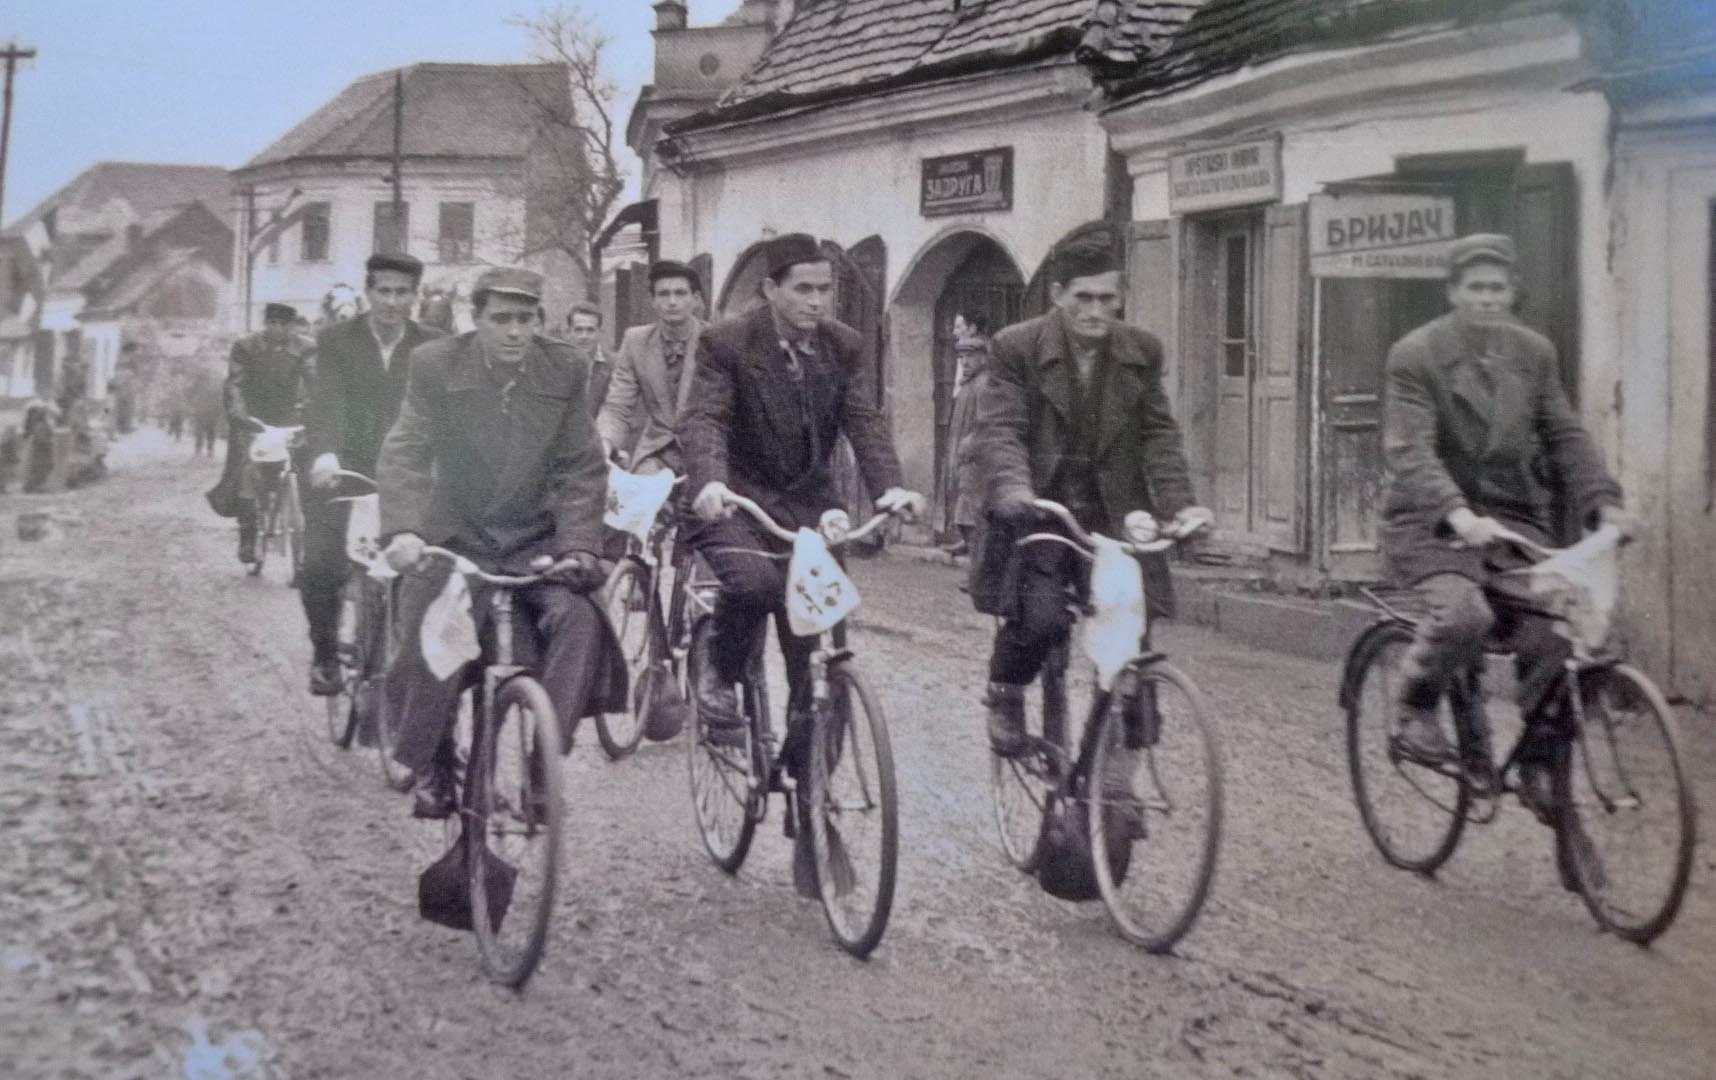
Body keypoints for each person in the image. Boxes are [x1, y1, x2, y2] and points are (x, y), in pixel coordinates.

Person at [1381, 233, 1627, 819]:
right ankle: (1415, 705)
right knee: (1464, 615)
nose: (1487, 299)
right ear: (1453, 292)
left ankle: (1541, 761)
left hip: (1514, 523)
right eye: (1475, 288)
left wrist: (1603, 500)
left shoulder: (1533, 352)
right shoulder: (1416, 355)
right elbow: (1410, 451)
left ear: (1511, 292)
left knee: (1563, 630)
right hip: (1432, 525)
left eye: (1498, 288)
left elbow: (1564, 433)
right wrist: (1457, 513)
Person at [376, 266, 625, 819]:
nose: (515, 331)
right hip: (455, 536)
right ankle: (438, 759)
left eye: (526, 319)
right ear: (477, 319)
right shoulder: (435, 365)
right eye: (502, 319)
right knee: (425, 629)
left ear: (539, 321)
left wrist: (581, 545)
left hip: (535, 537)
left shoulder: (563, 367)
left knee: (581, 617)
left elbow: (581, 465)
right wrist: (405, 531)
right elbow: (407, 449)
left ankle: (544, 761)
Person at [970, 237, 1211, 794]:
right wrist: (1013, 490)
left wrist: (1181, 507)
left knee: (1134, 623)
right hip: (1043, 508)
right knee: (1042, 618)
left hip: (1115, 510)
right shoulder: (1016, 348)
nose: (1096, 311)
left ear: (1120, 298)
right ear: (1058, 294)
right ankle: (1006, 692)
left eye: (1108, 298)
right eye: (1084, 298)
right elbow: (1001, 429)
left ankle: (1124, 756)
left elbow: (1158, 436)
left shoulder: (1140, 351)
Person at [678, 232, 924, 757]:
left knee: (818, 647)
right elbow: (705, 418)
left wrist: (890, 488)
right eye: (803, 288)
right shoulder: (728, 343)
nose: (816, 300)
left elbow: (864, 421)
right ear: (771, 289)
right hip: (735, 501)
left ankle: (811, 797)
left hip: (809, 503)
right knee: (753, 586)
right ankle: (718, 671)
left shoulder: (843, 345)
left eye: (825, 289)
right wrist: (710, 481)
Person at [300, 254, 445, 695]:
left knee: (426, 570)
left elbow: (444, 415)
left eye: (402, 293)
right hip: (345, 471)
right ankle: (325, 653)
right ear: (368, 293)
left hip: (407, 475)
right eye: (384, 291)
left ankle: (410, 668)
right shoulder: (336, 341)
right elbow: (326, 405)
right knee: (321, 565)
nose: (392, 301)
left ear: (414, 298)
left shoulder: (432, 345)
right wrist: (324, 454)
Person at [209, 303, 313, 564]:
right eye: (272, 323)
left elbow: (316, 382)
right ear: (265, 323)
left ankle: (307, 532)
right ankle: (247, 536)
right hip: (253, 419)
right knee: (248, 471)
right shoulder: (245, 346)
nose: (277, 329)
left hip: (290, 417)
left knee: (309, 467)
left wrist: (315, 414)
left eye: (283, 324)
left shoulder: (307, 347)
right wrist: (241, 417)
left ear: (293, 326)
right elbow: (234, 385)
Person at [597, 260, 706, 476]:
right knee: (638, 501)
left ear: (695, 299)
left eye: (680, 293)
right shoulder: (635, 341)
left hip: (706, 451)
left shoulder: (715, 340)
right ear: (652, 301)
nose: (672, 302)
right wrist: (604, 442)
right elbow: (618, 406)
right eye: (663, 294)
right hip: (657, 451)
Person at [941, 313, 992, 556]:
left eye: (971, 356)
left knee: (970, 512)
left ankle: (977, 565)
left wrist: (969, 447)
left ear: (983, 358)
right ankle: (974, 559)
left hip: (977, 459)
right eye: (963, 357)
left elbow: (987, 423)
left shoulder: (985, 384)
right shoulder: (968, 384)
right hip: (963, 456)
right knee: (964, 510)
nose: (966, 361)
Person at [567, 301, 611, 418]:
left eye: (590, 330)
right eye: (578, 330)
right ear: (569, 333)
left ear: (600, 333)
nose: (584, 336)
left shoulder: (615, 366)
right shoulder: (557, 365)